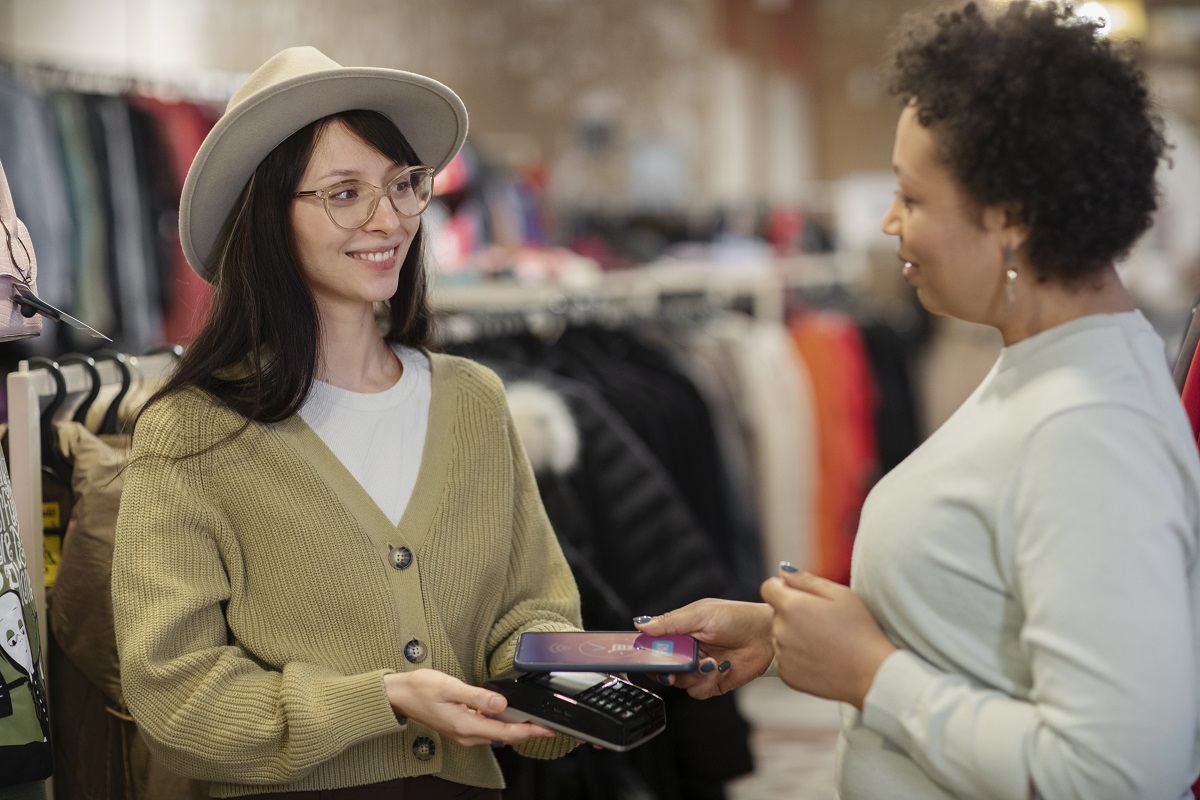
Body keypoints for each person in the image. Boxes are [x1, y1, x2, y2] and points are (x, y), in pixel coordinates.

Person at [637, 2, 1200, 798]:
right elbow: (1001, 608)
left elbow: (1115, 773)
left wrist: (871, 673)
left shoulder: (1086, 429)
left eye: (912, 196)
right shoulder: (1046, 369)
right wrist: (786, 631)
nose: (889, 222)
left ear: (1009, 217)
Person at [109, 46, 583, 799]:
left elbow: (531, 606)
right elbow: (178, 696)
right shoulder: (192, 432)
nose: (387, 218)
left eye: (403, 185)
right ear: (268, 216)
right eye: (343, 192)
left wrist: (572, 678)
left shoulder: (473, 402)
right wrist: (382, 700)